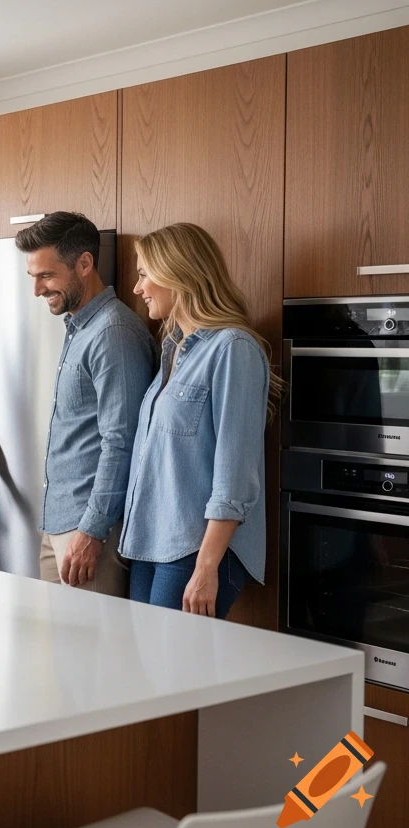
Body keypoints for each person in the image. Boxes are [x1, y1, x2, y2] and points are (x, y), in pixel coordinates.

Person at [118, 222, 279, 618]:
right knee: (148, 675)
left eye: (144, 275)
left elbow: (235, 477)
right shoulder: (173, 349)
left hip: (195, 550)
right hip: (149, 542)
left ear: (179, 273)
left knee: (172, 674)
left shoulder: (233, 349)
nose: (137, 288)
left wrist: (207, 569)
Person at [16, 212, 157, 596]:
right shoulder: (81, 326)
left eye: (46, 275)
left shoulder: (113, 332)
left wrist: (91, 532)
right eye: (33, 277)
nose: (37, 290)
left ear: (84, 263)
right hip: (59, 523)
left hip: (89, 532)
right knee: (60, 655)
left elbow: (122, 441)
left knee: (94, 655)